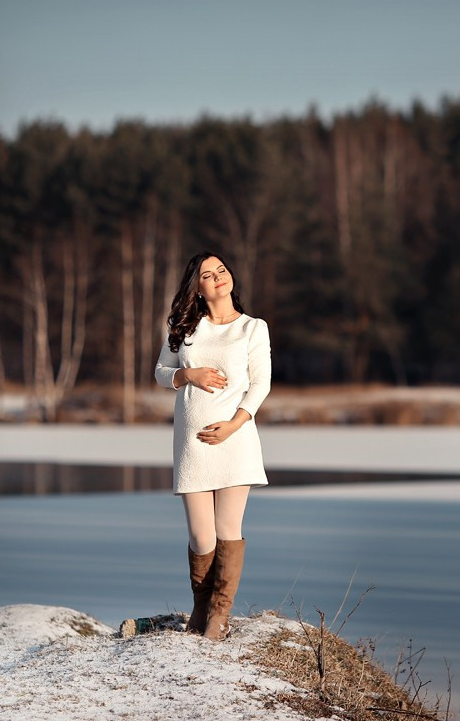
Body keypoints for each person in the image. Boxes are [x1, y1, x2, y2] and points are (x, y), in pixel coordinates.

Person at [154, 251, 271, 640]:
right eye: (208, 274)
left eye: (221, 270)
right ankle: (200, 607)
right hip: (192, 443)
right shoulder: (186, 328)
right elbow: (160, 373)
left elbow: (260, 385)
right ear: (198, 288)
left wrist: (233, 426)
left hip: (236, 440)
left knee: (227, 527)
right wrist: (189, 373)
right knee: (201, 536)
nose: (218, 277)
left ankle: (218, 616)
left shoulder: (253, 328)